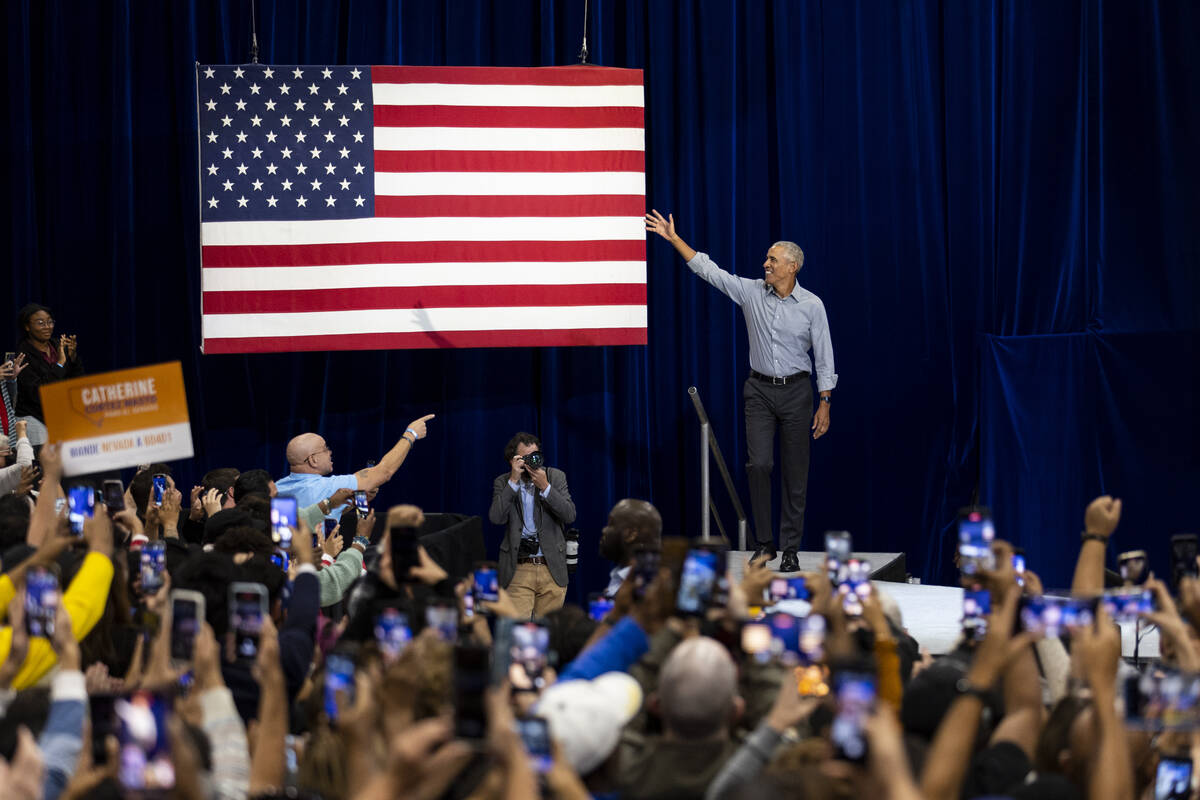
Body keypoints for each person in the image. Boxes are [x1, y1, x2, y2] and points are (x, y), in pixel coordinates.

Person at [646, 210, 837, 572]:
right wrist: (674, 240)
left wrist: (825, 400)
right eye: (767, 259)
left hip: (798, 392)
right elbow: (709, 270)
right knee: (759, 465)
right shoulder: (750, 292)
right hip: (760, 392)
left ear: (792, 267)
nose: (765, 264)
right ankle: (764, 544)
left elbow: (825, 355)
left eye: (773, 260)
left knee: (795, 473)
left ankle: (790, 547)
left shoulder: (812, 306)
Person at [488, 432, 576, 619]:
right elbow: (496, 518)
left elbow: (569, 515)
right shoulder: (503, 482)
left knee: (549, 634)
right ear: (513, 459)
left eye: (534, 456)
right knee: (519, 634)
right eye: (524, 458)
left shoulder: (555, 477)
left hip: (551, 567)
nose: (530, 462)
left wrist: (546, 487)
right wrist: (513, 481)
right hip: (519, 569)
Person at [274, 413, 435, 512]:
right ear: (313, 460)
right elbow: (384, 472)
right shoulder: (327, 486)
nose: (330, 452)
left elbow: (318, 514)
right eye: (325, 449)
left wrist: (357, 501)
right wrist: (411, 434)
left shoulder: (277, 488)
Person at [13, 304, 83, 447]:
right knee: (46, 466)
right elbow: (39, 394)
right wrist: (60, 364)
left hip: (61, 415)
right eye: (40, 323)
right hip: (35, 417)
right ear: (27, 327)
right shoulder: (22, 355)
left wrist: (73, 358)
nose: (47, 326)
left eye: (50, 322)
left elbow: (77, 381)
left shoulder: (59, 345)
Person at [598, 498, 663, 598]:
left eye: (611, 524)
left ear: (631, 534)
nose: (604, 530)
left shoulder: (648, 590)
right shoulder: (619, 576)